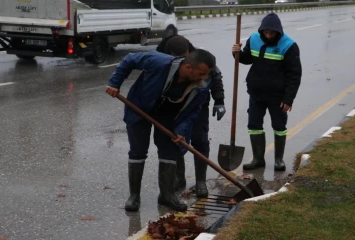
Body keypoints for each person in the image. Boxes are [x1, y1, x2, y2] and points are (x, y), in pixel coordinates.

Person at [105, 49, 216, 212]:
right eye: (201, 73)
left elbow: (194, 110)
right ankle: (134, 196)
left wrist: (182, 131)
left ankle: (166, 195)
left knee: (169, 152)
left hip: (169, 116)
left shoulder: (201, 85)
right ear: (187, 68)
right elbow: (129, 59)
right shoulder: (159, 62)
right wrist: (115, 83)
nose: (203, 78)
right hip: (140, 109)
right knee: (138, 151)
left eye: (206, 74)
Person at [156, 35, 226, 198]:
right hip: (173, 106)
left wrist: (219, 100)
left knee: (200, 140)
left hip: (198, 104)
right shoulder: (161, 57)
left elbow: (215, 76)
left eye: (184, 55)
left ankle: (200, 181)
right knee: (175, 140)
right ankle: (179, 178)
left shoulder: (199, 57)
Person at [231, 12, 302, 171]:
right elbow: (247, 59)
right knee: (254, 125)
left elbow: (294, 75)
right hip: (256, 93)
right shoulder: (254, 38)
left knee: (279, 126)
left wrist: (289, 99)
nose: (268, 35)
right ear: (261, 30)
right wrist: (237, 53)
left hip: (278, 96)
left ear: (278, 31)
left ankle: (278, 159)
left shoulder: (289, 45)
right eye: (266, 32)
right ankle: (258, 159)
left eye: (272, 33)